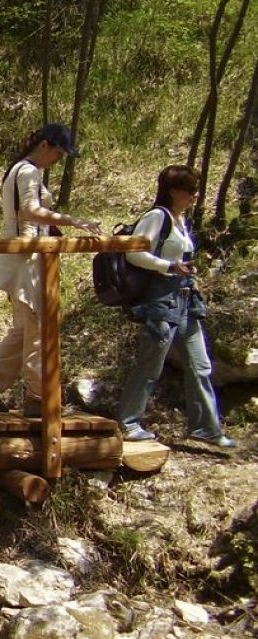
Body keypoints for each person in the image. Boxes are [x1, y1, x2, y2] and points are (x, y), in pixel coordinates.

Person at [0, 123, 101, 418]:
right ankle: (38, 397)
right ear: (44, 145)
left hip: (26, 257)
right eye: (57, 152)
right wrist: (73, 221)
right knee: (39, 328)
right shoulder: (27, 171)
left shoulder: (23, 170)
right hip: (27, 258)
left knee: (25, 328)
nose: (57, 159)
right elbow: (29, 211)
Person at [116, 165, 234, 447]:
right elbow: (134, 254)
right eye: (190, 190)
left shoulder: (180, 220)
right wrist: (169, 266)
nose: (195, 195)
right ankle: (128, 422)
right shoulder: (158, 217)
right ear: (173, 191)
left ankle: (205, 427)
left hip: (186, 300)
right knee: (150, 364)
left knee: (200, 364)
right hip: (161, 300)